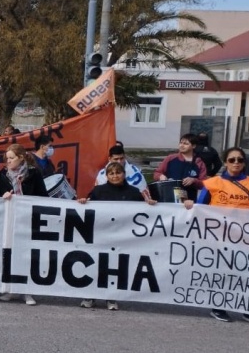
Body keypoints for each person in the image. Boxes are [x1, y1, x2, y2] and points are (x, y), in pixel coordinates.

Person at [184, 147, 249, 325]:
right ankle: (219, 307)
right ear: (226, 162)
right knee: (223, 273)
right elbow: (200, 207)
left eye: (240, 160)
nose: (236, 163)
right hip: (220, 238)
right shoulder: (212, 183)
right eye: (232, 160)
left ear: (244, 163)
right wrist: (191, 205)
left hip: (248, 238)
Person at [78, 162, 156, 310]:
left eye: (118, 173)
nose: (115, 176)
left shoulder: (134, 192)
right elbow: (88, 207)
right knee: (96, 265)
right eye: (111, 173)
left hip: (122, 237)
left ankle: (111, 298)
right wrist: (82, 202)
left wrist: (150, 205)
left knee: (115, 267)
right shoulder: (98, 191)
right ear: (106, 176)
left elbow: (143, 213)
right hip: (101, 235)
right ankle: (90, 295)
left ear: (124, 174)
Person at [0, 143, 47, 305]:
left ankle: (26, 291)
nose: (8, 162)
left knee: (26, 254)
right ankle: (11, 289)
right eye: (6, 158)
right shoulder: (2, 175)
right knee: (9, 253)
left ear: (21, 158)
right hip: (10, 219)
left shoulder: (33, 173)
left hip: (28, 220)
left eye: (11, 158)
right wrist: (3, 196)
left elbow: (42, 195)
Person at [153, 133, 207, 202]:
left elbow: (204, 184)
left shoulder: (199, 163)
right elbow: (157, 173)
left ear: (193, 146)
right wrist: (160, 176)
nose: (182, 145)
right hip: (169, 199)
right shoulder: (171, 158)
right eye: (181, 143)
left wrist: (194, 180)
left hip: (189, 202)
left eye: (186, 144)